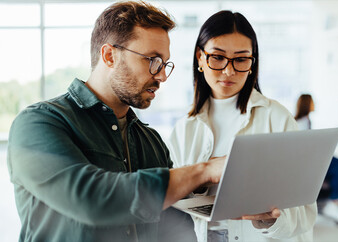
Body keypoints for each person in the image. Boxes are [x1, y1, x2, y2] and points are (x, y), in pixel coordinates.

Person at [7, 1, 225, 241]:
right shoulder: (38, 124)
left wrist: (235, 204)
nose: (162, 75)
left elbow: (176, 230)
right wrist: (203, 171)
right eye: (152, 60)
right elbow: (91, 198)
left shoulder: (150, 141)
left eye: (164, 64)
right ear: (109, 55)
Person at [167, 11, 317, 242]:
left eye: (240, 59)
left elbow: (305, 214)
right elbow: (173, 203)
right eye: (217, 57)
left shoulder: (276, 118)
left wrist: (270, 221)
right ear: (199, 57)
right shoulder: (184, 129)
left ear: (252, 62)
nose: (229, 71)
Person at [294, 94, 338, 226]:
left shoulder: (304, 120)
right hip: (308, 162)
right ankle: (334, 202)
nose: (314, 105)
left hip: (312, 158)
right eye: (312, 102)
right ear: (307, 104)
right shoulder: (302, 123)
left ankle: (334, 201)